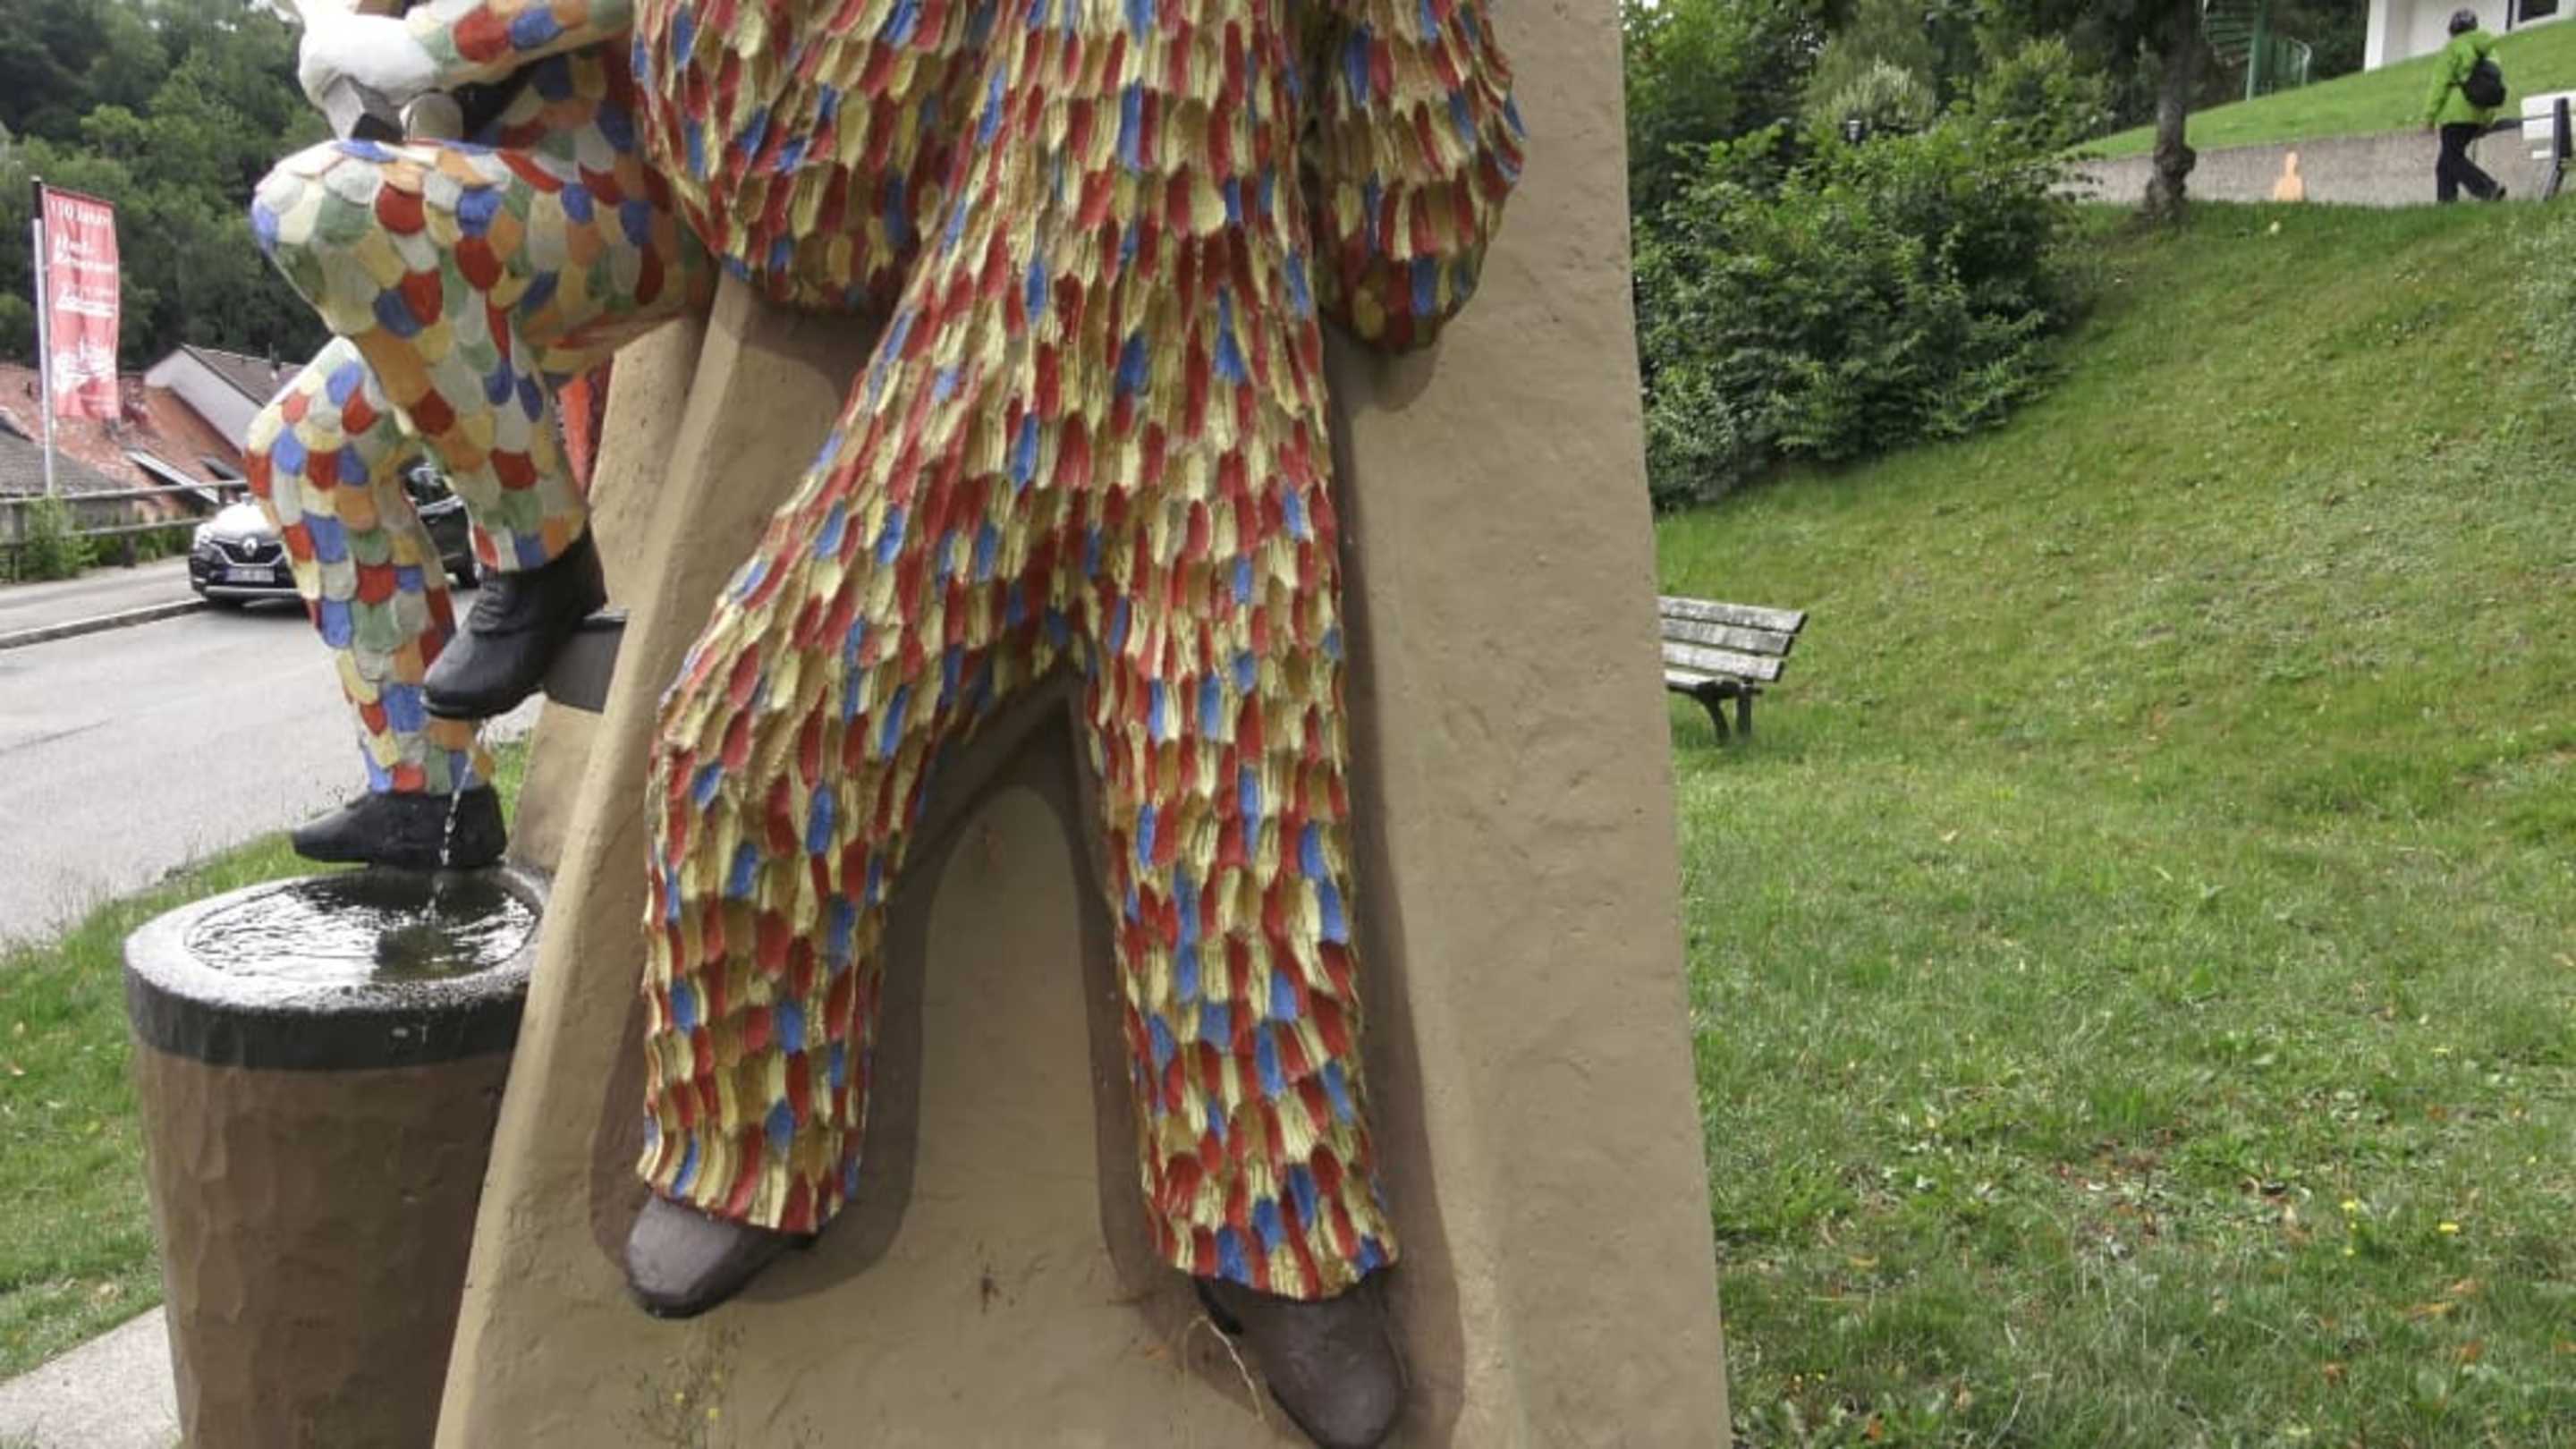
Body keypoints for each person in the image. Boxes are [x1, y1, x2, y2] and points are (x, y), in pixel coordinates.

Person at [2425, 7, 2509, 205]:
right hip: (2479, 114)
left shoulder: (2453, 48)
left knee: (2452, 157)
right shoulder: (2490, 52)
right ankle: (2447, 205)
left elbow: (2439, 84)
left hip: (2456, 114)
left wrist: (2429, 117)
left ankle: (2488, 189)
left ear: (2452, 29)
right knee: (2445, 163)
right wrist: (2487, 119)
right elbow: (2490, 86)